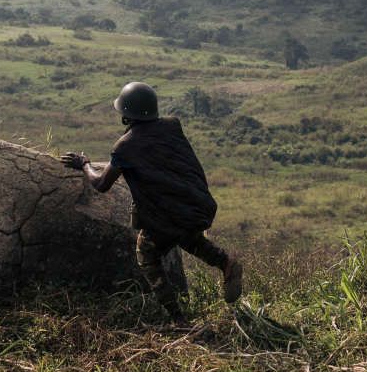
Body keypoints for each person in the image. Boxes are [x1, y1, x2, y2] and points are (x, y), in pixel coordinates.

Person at [60, 81, 243, 322]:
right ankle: (225, 262)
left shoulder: (125, 147)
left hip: (166, 215)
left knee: (147, 254)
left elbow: (101, 184)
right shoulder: (172, 126)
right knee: (186, 236)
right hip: (195, 207)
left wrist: (84, 164)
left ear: (126, 115)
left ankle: (177, 318)